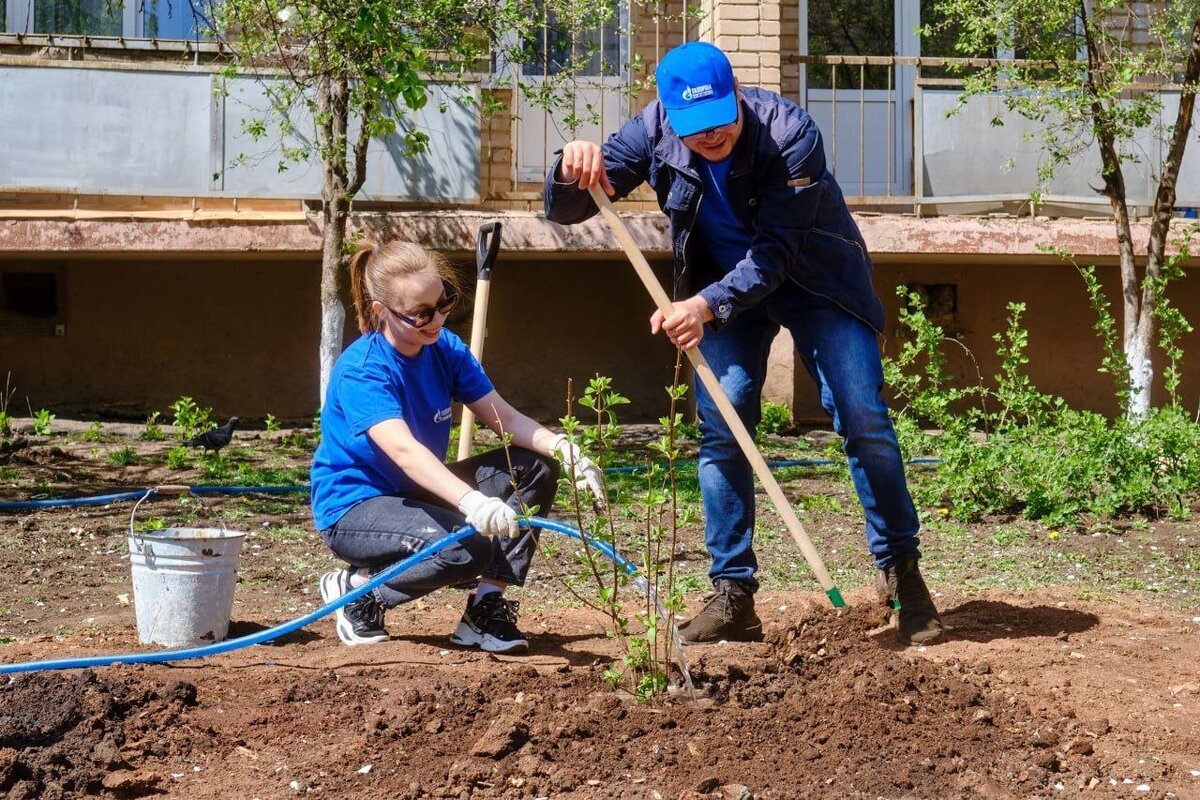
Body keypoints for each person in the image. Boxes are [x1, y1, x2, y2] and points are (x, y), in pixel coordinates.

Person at [543, 41, 944, 647]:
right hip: (721, 294)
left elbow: (777, 253)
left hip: (816, 283)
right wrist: (569, 165)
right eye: (693, 128)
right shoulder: (653, 128)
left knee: (861, 414)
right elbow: (569, 208)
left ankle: (903, 576)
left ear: (737, 95)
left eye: (720, 120)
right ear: (670, 115)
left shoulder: (791, 135)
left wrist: (702, 306)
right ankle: (734, 595)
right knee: (723, 422)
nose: (709, 136)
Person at [310, 240, 604, 653]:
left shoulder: (444, 348)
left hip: (414, 495)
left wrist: (563, 449)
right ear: (382, 312)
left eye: (444, 302)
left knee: (533, 468)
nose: (437, 319)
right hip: (355, 508)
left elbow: (506, 419)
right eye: (421, 314)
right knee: (468, 547)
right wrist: (473, 503)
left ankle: (485, 608)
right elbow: (405, 452)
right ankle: (359, 591)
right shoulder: (363, 370)